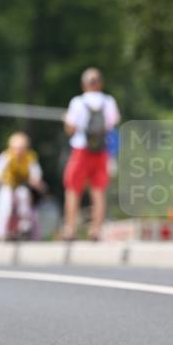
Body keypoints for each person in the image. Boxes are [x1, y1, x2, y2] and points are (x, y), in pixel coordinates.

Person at [62, 68, 120, 241]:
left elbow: (71, 129)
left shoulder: (78, 102)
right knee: (98, 190)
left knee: (73, 189)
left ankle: (70, 229)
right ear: (101, 83)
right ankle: (96, 230)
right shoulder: (108, 101)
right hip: (101, 150)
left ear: (84, 84)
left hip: (81, 149)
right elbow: (112, 123)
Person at [0, 132, 46, 240]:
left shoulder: (30, 157)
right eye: (16, 148)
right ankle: (1, 233)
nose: (18, 151)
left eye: (21, 148)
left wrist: (36, 181)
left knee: (24, 200)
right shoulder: (6, 156)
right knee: (5, 206)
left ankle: (24, 227)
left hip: (22, 186)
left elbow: (36, 173)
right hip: (7, 185)